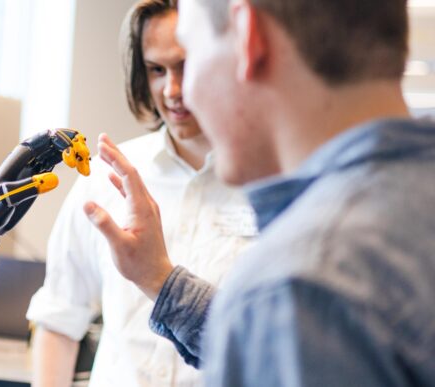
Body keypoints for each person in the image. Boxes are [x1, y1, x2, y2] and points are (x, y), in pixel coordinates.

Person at [84, 0, 435, 386]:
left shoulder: (304, 281)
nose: (181, 93)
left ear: (248, 37)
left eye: (192, 54)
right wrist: (159, 279)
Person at [25, 1, 256, 386]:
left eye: (187, 65)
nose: (173, 90)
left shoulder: (271, 184)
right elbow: (58, 318)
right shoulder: (106, 175)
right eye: (156, 70)